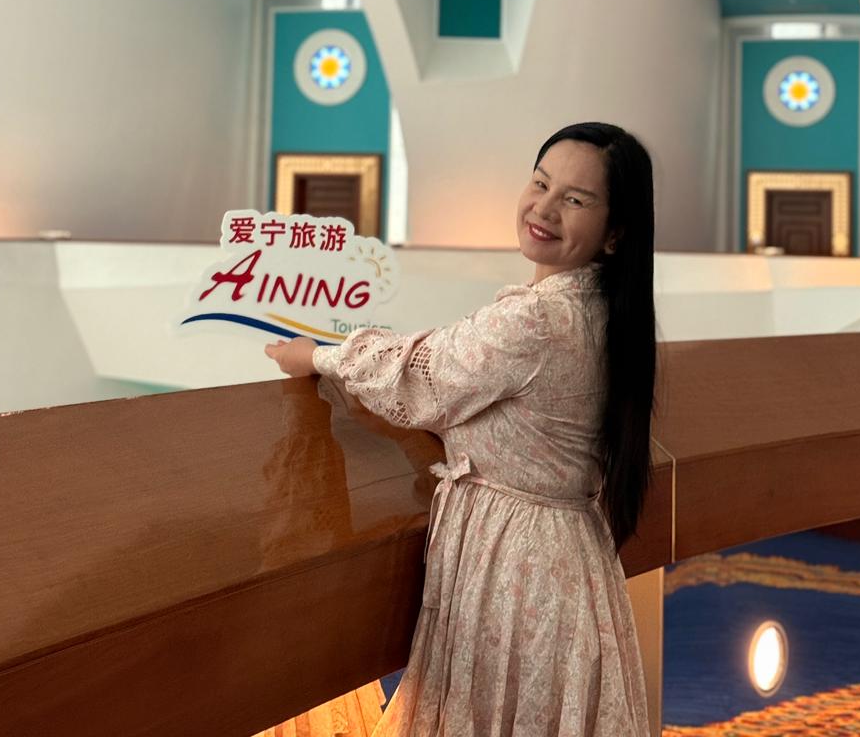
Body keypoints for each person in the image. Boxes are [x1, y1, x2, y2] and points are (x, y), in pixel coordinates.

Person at [265, 122, 657, 736]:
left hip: (518, 568)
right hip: (564, 561)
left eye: (576, 200)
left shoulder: (540, 320)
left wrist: (317, 356)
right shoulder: (604, 309)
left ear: (615, 233)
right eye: (540, 183)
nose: (545, 208)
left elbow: (423, 377)